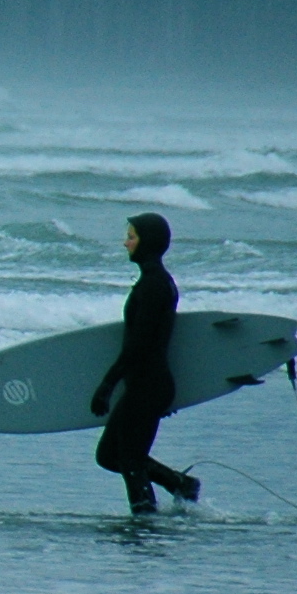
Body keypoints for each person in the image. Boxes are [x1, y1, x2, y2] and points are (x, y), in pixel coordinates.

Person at [89, 211, 200, 513]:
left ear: (147, 241)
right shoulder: (155, 282)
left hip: (148, 385)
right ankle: (179, 484)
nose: (126, 243)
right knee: (111, 455)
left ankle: (143, 521)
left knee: (129, 459)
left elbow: (140, 344)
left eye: (131, 236)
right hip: (146, 384)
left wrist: (107, 384)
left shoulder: (154, 285)